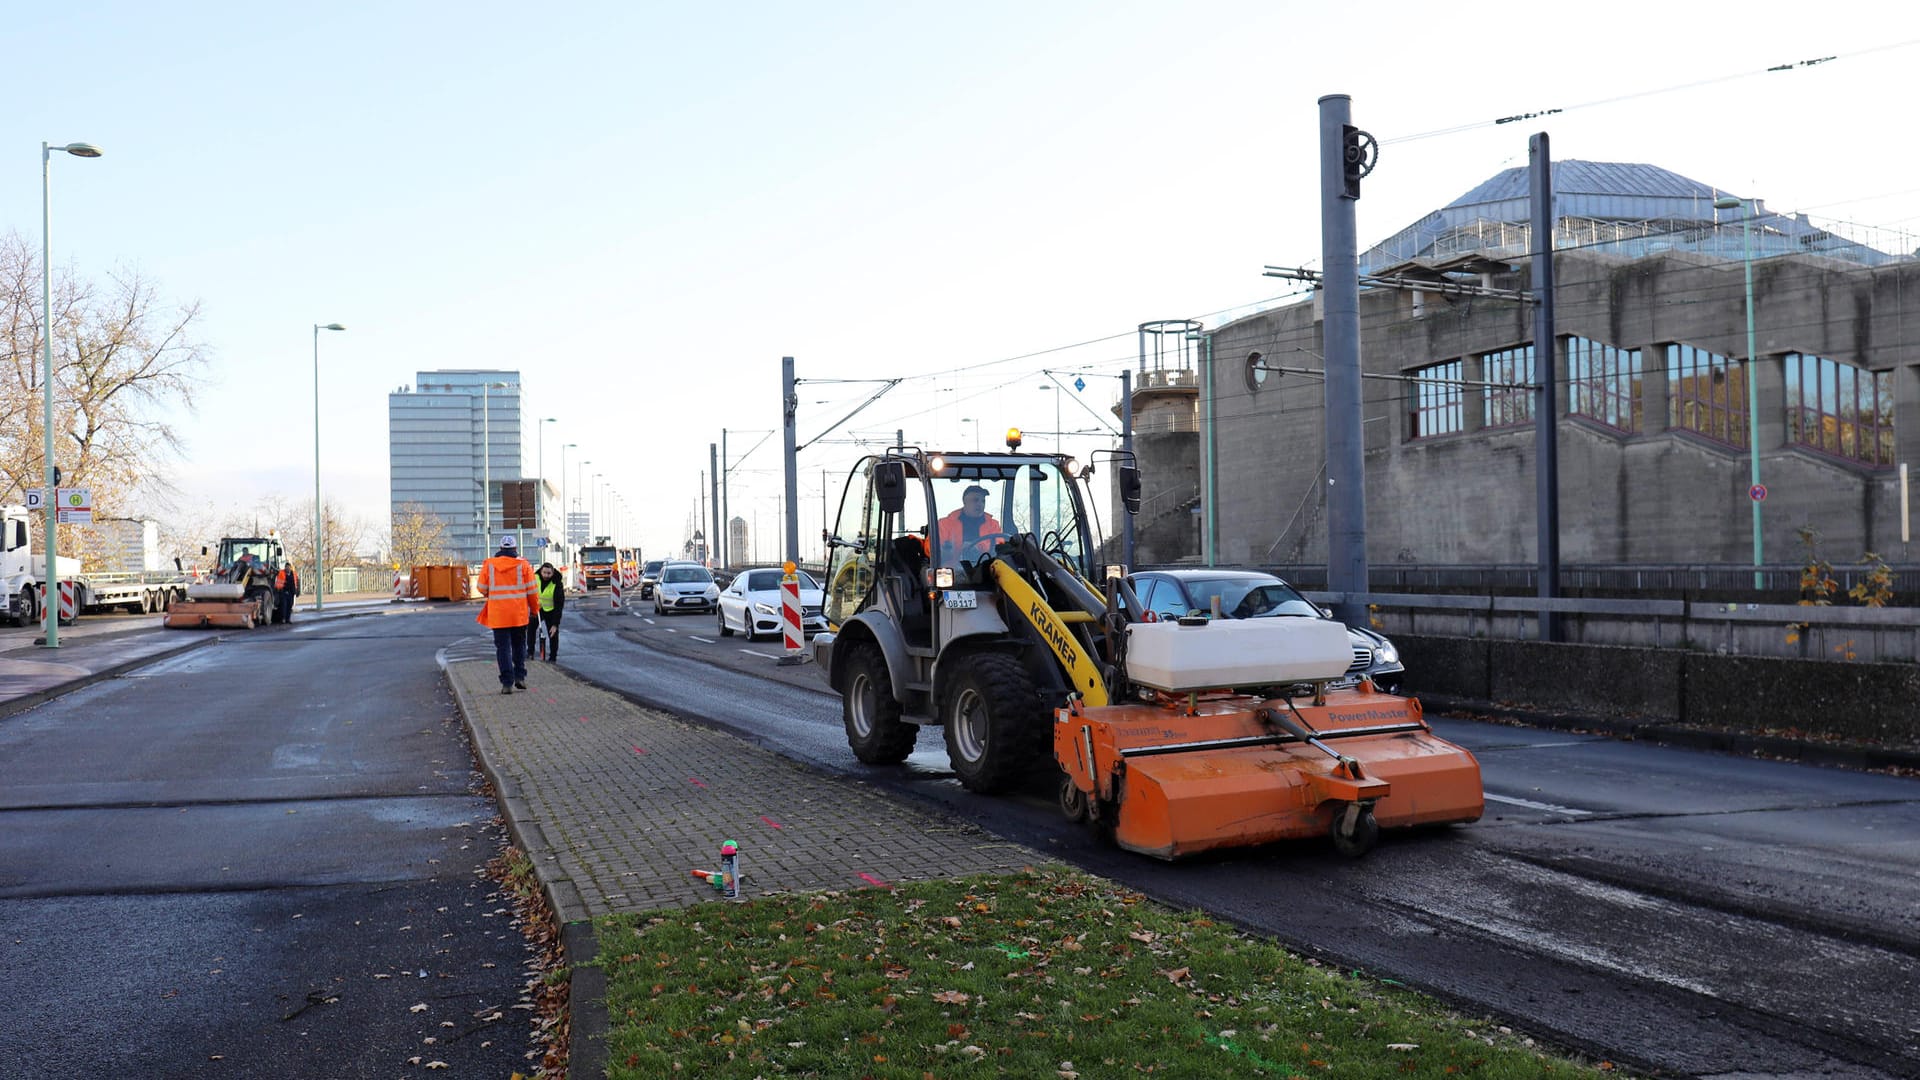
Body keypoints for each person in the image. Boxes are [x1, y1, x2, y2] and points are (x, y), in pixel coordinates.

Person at [477, 535, 538, 694]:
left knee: (503, 649)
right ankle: (520, 677)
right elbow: (532, 591)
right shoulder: (524, 565)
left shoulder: (489, 564)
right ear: (515, 549)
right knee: (519, 646)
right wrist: (535, 609)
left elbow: (481, 587)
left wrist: (490, 593)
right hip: (519, 614)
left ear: (500, 549)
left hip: (498, 615)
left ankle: (506, 683)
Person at [935, 484, 1003, 563]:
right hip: (953, 571)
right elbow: (931, 547)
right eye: (975, 500)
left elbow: (998, 545)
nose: (980, 504)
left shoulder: (993, 525)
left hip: (986, 569)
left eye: (983, 501)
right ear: (964, 502)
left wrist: (978, 546)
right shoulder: (945, 524)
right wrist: (949, 550)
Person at [529, 562, 566, 661]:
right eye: (544, 572)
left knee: (553, 633)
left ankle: (553, 656)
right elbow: (528, 592)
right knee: (531, 629)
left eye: (549, 573)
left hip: (551, 611)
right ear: (541, 571)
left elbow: (559, 604)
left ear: (553, 573)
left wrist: (555, 624)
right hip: (538, 609)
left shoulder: (557, 583)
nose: (546, 575)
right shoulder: (535, 578)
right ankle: (530, 653)